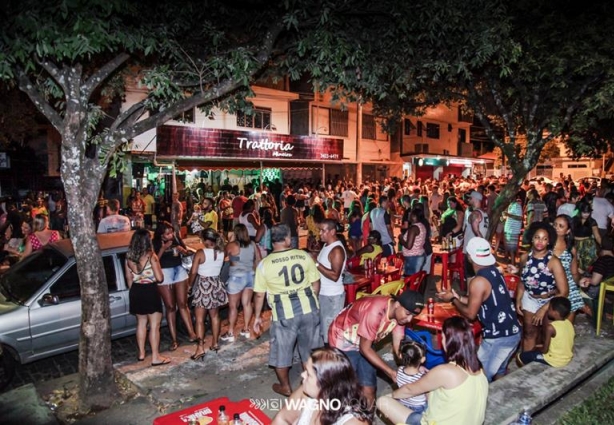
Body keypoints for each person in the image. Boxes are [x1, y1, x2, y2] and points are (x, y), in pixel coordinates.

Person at [377, 317, 488, 425]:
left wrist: (392, 395)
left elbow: (409, 389)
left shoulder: (447, 371)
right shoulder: (479, 367)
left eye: (442, 337)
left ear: (449, 341)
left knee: (382, 402)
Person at [438, 237, 521, 382]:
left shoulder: (478, 282)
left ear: (470, 257)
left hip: (498, 338)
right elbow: (478, 301)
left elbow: (470, 314)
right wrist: (456, 296)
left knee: (477, 378)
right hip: (513, 333)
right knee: (499, 372)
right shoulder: (494, 272)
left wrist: (452, 300)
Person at [253, 224, 321, 397]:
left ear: (271, 240)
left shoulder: (264, 264)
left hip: (284, 314)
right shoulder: (303, 256)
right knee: (309, 350)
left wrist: (257, 317)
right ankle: (311, 385)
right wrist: (311, 302)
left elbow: (259, 295)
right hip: (308, 309)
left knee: (281, 352)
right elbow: (315, 283)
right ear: (288, 239)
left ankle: (285, 387)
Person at [328, 290, 425, 406]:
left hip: (365, 340)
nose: (409, 320)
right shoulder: (375, 311)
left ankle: (365, 419)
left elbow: (398, 344)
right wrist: (390, 372)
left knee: (369, 388)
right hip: (343, 339)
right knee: (344, 388)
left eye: (413, 316)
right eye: (408, 314)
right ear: (397, 304)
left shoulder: (400, 316)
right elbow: (365, 349)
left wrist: (413, 365)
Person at [272, 347, 373, 425]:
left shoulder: (353, 422)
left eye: (308, 374)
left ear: (325, 384)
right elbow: (282, 419)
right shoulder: (305, 392)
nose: (302, 375)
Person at [515, 222, 569, 352]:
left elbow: (564, 291)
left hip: (549, 301)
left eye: (545, 239)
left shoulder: (553, 261)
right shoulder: (524, 258)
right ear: (532, 238)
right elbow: (522, 282)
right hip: (530, 298)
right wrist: (518, 300)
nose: (540, 241)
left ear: (549, 241)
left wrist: (544, 309)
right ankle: (526, 363)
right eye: (537, 237)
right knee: (529, 332)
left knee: (547, 333)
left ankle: (543, 362)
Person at [124, 229, 169, 366]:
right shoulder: (152, 256)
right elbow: (160, 278)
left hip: (136, 290)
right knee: (154, 326)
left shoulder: (129, 256)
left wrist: (136, 289)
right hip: (150, 289)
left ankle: (141, 354)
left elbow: (129, 278)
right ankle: (155, 357)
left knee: (141, 323)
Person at [153, 221, 198, 351]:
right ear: (161, 235)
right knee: (171, 307)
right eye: (168, 233)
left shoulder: (176, 238)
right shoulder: (155, 242)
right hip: (164, 273)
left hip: (179, 270)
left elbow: (186, 253)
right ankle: (174, 339)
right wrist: (163, 248)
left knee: (183, 304)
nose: (171, 235)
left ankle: (192, 334)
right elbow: (154, 259)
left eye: (171, 232)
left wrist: (182, 250)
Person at [188, 228, 227, 360]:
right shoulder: (221, 251)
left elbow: (193, 272)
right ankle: (215, 343)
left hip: (204, 285)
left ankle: (200, 348)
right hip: (216, 284)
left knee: (199, 319)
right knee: (215, 316)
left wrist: (189, 285)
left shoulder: (201, 252)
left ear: (205, 240)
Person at [220, 224, 261, 342]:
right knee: (247, 304)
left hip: (236, 278)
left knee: (233, 307)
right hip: (250, 276)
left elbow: (223, 256)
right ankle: (246, 329)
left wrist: (231, 240)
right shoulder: (252, 245)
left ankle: (230, 332)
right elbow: (257, 259)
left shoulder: (232, 245)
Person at [517, 297, 575, 368]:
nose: (548, 310)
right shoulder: (568, 323)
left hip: (554, 360)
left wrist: (536, 349)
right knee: (534, 351)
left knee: (521, 356)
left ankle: (531, 372)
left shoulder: (551, 327)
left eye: (549, 308)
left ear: (555, 313)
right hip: (566, 358)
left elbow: (545, 350)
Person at [316, 218, 347, 345]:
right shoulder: (326, 245)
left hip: (332, 297)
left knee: (331, 334)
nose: (320, 233)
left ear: (332, 231)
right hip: (324, 294)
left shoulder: (337, 250)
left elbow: (335, 275)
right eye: (320, 231)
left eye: (323, 231)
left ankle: (333, 361)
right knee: (323, 330)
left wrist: (316, 264)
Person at [552, 215, 585, 322]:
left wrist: (580, 281)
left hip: (568, 287)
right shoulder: (545, 245)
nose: (556, 228)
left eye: (561, 226)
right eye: (555, 224)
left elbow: (574, 273)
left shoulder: (571, 249)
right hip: (549, 287)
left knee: (566, 327)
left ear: (568, 231)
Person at [578, 237, 614, 316]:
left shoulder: (602, 261)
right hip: (608, 291)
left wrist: (582, 278)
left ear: (601, 245)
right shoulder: (612, 259)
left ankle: (587, 309)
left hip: (597, 291)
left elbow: (594, 282)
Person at [394, 341, 428, 415]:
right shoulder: (423, 377)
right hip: (419, 407)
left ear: (401, 356)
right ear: (423, 359)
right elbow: (427, 396)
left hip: (403, 404)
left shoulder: (399, 370)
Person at [463, 191, 489, 279]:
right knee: (478, 275)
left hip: (473, 249)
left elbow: (476, 231)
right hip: (479, 250)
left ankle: (470, 292)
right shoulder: (484, 213)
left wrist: (482, 244)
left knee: (470, 276)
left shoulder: (475, 213)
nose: (468, 200)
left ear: (474, 199)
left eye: (470, 198)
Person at [572, 201, 601, 273]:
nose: (586, 214)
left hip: (587, 244)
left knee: (586, 263)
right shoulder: (573, 220)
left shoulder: (592, 221)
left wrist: (603, 246)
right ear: (580, 211)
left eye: (588, 212)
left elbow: (597, 236)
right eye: (584, 212)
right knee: (575, 263)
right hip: (575, 243)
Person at [400, 208, 427, 276]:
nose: (409, 215)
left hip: (413, 258)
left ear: (414, 216)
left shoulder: (414, 228)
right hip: (418, 255)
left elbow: (409, 246)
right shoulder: (421, 225)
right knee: (416, 280)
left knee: (410, 281)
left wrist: (401, 239)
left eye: (410, 214)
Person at [503, 193, 523, 267]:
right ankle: (511, 263)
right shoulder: (510, 205)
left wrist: (508, 215)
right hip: (508, 228)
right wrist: (505, 217)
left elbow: (520, 218)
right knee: (509, 247)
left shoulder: (517, 206)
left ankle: (513, 264)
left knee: (512, 249)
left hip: (513, 230)